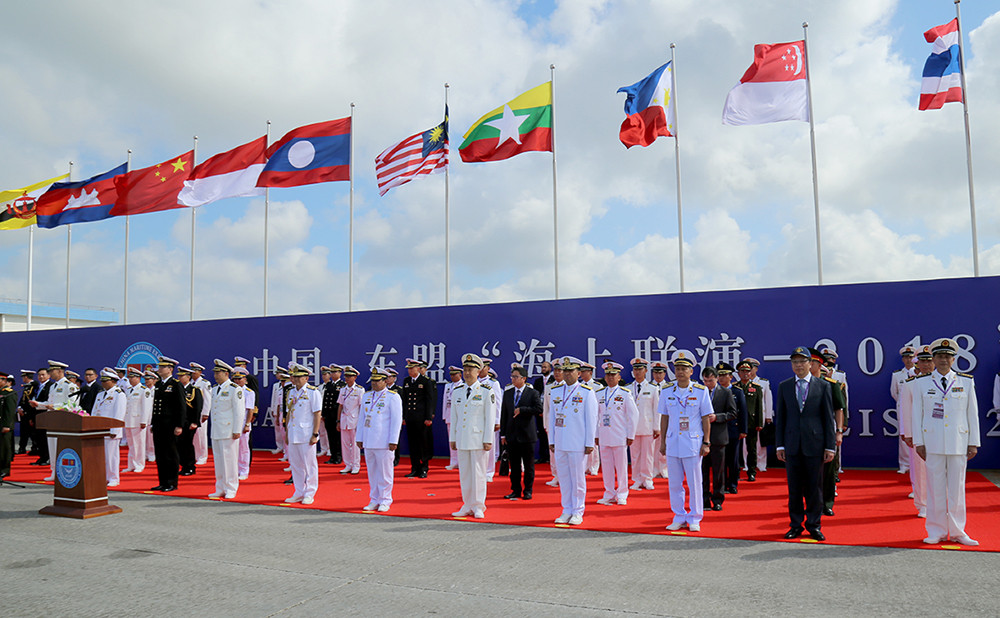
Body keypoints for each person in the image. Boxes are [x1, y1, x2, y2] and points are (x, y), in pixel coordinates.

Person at [912, 338, 980, 546]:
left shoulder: (966, 381)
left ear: (953, 359)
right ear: (933, 358)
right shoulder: (920, 383)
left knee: (957, 489)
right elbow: (917, 414)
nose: (943, 360)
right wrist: (919, 442)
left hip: (958, 442)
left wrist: (973, 442)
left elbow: (972, 413)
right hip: (932, 441)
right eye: (940, 356)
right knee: (935, 488)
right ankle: (937, 530)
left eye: (947, 356)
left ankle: (959, 532)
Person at [774, 346, 836, 542]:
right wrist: (780, 445)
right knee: (794, 489)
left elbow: (828, 418)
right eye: (795, 362)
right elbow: (781, 418)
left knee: (814, 488)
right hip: (792, 445)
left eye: (802, 361)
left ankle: (814, 525)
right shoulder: (784, 386)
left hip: (815, 445)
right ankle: (795, 525)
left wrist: (830, 446)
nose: (798, 365)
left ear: (811, 364)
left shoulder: (823, 386)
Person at [658, 352, 713, 532]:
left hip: (692, 443)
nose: (680, 372)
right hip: (673, 442)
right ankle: (679, 515)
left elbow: (705, 418)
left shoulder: (700, 390)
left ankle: (695, 517)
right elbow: (664, 417)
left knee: (694, 482)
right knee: (674, 483)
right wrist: (663, 441)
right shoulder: (666, 390)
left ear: (691, 371)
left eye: (684, 369)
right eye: (677, 369)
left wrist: (706, 442)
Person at [549, 356, 597, 526]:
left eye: (571, 371)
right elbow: (552, 417)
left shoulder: (586, 392)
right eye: (565, 371)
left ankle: (578, 510)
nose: (568, 374)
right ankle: (566, 509)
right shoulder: (555, 391)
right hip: (560, 441)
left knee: (577, 479)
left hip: (577, 442)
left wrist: (589, 442)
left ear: (579, 373)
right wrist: (552, 440)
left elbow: (591, 419)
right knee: (564, 478)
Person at [448, 354, 495, 518]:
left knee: (479, 474)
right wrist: (452, 438)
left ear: (479, 371)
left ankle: (478, 506)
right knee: (465, 474)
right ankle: (467, 504)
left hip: (478, 439)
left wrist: (488, 439)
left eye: (471, 370)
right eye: (465, 370)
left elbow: (489, 418)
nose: (467, 373)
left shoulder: (485, 391)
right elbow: (454, 417)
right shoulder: (457, 391)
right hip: (462, 438)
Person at [356, 369, 403, 512]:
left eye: (377, 381)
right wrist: (359, 437)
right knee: (372, 472)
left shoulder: (392, 397)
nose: (374, 384)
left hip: (384, 441)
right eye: (373, 381)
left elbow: (396, 420)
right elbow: (361, 418)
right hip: (369, 440)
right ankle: (374, 499)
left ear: (385, 381)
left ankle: (385, 499)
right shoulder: (367, 396)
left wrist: (394, 440)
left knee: (385, 472)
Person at [594, 361, 638, 506]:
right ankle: (609, 492)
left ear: (619, 377)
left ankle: (622, 493)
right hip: (604, 434)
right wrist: (595, 434)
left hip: (619, 435)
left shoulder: (625, 393)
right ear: (605, 377)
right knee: (606, 467)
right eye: (608, 375)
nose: (610, 377)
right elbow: (595, 416)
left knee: (621, 466)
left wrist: (630, 434)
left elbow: (633, 415)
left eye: (613, 375)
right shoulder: (599, 393)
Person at [500, 363, 543, 501]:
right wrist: (503, 434)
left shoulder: (532, 393)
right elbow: (504, 415)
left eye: (516, 377)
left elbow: (539, 409)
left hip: (527, 435)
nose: (513, 379)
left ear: (524, 378)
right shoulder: (507, 393)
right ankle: (515, 490)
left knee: (529, 466)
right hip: (512, 435)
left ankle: (528, 490)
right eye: (512, 376)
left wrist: (523, 410)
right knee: (515, 466)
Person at [899, 345, 933, 517]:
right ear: (916, 363)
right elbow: (905, 409)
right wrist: (907, 433)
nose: (926, 364)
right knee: (919, 470)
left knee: (940, 470)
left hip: (939, 433)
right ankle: (923, 504)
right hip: (919, 433)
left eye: (929, 360)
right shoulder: (910, 384)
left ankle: (939, 505)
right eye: (923, 361)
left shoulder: (943, 382)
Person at [284, 363, 322, 504]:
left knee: (309, 465)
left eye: (300, 377)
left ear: (306, 378)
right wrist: (287, 431)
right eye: (295, 377)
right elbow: (289, 412)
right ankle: (299, 491)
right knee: (295, 464)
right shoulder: (291, 392)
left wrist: (315, 433)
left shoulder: (313, 392)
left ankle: (310, 492)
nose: (296, 379)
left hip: (306, 433)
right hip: (294, 432)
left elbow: (317, 413)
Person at [35, 360, 78, 481]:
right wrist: (38, 404)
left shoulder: (69, 386)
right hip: (52, 420)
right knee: (52, 447)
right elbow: (49, 403)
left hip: (63, 422)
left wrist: (53, 407)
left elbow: (72, 405)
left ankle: (63, 472)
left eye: (52, 371)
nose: (50, 373)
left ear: (60, 371)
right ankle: (54, 471)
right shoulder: (53, 386)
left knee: (62, 448)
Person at [700, 366, 736, 511]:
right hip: (701, 438)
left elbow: (733, 413)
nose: (708, 383)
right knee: (702, 471)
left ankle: (718, 499)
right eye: (705, 381)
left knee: (718, 471)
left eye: (711, 380)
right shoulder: (699, 392)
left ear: (716, 379)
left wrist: (718, 417)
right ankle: (704, 499)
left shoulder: (726, 392)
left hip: (719, 437)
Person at [208, 360, 243, 499]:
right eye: (215, 372)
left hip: (228, 430)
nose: (216, 375)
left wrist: (237, 429)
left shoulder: (235, 389)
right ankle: (220, 487)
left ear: (226, 373)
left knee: (229, 461)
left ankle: (231, 488)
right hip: (217, 429)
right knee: (219, 461)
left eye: (218, 372)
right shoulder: (215, 389)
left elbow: (239, 412)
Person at [149, 357, 185, 492]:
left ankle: (172, 482)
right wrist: (153, 423)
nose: (159, 369)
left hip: (170, 425)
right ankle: (163, 482)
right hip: (159, 424)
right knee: (160, 454)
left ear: (170, 369)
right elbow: (155, 406)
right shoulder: (158, 384)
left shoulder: (176, 384)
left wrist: (179, 425)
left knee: (171, 454)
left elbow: (181, 406)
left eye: (162, 367)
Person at [628, 358, 660, 491]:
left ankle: (647, 479)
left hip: (647, 426)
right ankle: (636, 479)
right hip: (633, 428)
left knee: (648, 454)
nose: (637, 372)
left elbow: (657, 409)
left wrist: (657, 427)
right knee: (635, 455)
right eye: (635, 369)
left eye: (640, 369)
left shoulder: (653, 388)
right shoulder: (628, 388)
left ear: (646, 371)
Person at [91, 369, 127, 487]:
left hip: (111, 430)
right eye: (102, 381)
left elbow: (119, 414)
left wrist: (115, 430)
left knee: (112, 456)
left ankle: (113, 478)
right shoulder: (100, 394)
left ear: (113, 381)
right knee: (101, 456)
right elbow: (95, 411)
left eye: (105, 381)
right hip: (99, 429)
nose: (103, 383)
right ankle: (104, 476)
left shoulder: (119, 394)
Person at [717, 362, 748, 495]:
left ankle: (733, 484)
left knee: (733, 459)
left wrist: (743, 430)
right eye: (719, 375)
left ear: (731, 376)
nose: (721, 378)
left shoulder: (737, 392)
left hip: (733, 430)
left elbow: (743, 412)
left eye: (724, 375)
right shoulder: (714, 392)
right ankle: (721, 485)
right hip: (718, 431)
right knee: (720, 460)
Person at [402, 359, 435, 478]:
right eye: (408, 369)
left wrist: (428, 417)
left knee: (423, 443)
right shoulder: (406, 381)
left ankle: (424, 468)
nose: (410, 371)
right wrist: (404, 417)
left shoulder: (425, 381)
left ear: (418, 368)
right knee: (413, 444)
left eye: (412, 368)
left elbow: (429, 400)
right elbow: (405, 401)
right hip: (410, 418)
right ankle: (414, 467)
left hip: (421, 418)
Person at [734, 360, 764, 482]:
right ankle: (736, 472)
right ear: (739, 373)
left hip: (751, 422)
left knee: (752, 449)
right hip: (737, 422)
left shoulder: (756, 388)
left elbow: (759, 407)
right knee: (736, 449)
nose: (745, 374)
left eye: (747, 371)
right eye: (742, 371)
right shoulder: (735, 387)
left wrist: (759, 423)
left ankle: (752, 472)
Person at [890, 346, 917, 474]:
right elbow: (894, 393)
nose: (908, 360)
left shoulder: (919, 373)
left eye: (911, 357)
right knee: (904, 437)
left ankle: (915, 465)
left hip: (917, 409)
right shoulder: (896, 375)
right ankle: (904, 465)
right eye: (906, 357)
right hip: (902, 409)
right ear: (902, 359)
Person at [123, 368, 152, 473]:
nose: (130, 379)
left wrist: (144, 421)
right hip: (128, 420)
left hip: (138, 421)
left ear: (139, 378)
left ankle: (139, 464)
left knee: (139, 444)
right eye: (129, 377)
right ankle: (131, 465)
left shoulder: (144, 390)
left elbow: (146, 407)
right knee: (131, 444)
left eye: (133, 377)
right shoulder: (128, 390)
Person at [746, 358, 773, 472]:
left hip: (760, 416)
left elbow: (768, 400)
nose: (749, 371)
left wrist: (768, 416)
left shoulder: (763, 382)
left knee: (760, 442)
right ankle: (748, 464)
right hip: (747, 416)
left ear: (756, 369)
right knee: (745, 442)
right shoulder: (742, 383)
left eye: (751, 368)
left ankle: (761, 464)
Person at [336, 365, 364, 474]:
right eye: (346, 376)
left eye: (349, 376)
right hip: (344, 420)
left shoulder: (359, 390)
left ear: (355, 377)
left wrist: (361, 423)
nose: (347, 378)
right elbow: (340, 405)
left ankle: (356, 465)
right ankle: (347, 464)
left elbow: (361, 407)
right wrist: (338, 421)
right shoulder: (343, 390)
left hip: (355, 420)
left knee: (355, 444)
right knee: (345, 444)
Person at [176, 366, 203, 477]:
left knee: (187, 445)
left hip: (189, 422)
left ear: (188, 377)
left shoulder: (194, 390)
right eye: (179, 376)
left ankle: (190, 467)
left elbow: (198, 407)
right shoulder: (177, 389)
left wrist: (195, 422)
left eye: (182, 376)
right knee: (179, 445)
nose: (179, 378)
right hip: (179, 422)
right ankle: (183, 466)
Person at [542, 362, 564, 487]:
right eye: (555, 370)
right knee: (553, 452)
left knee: (564, 451)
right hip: (552, 424)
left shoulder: (568, 386)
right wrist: (546, 424)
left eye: (559, 370)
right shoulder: (549, 387)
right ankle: (556, 476)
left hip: (565, 425)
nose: (557, 373)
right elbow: (546, 408)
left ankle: (564, 477)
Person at [232, 368, 256, 480]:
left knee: (243, 448)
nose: (237, 381)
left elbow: (250, 409)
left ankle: (244, 470)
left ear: (245, 380)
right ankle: (234, 469)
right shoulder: (231, 390)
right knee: (232, 448)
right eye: (235, 379)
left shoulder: (249, 393)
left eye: (239, 379)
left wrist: (247, 424)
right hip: (231, 422)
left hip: (242, 423)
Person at [649, 361, 670, 479]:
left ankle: (664, 469)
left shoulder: (669, 387)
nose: (657, 375)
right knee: (652, 447)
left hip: (666, 419)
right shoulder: (649, 387)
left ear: (664, 374)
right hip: (652, 419)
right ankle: (654, 469)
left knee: (665, 444)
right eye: (655, 373)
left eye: (660, 373)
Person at [189, 362, 212, 466]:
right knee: (193, 437)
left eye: (195, 371)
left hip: (201, 414)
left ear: (200, 372)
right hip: (191, 414)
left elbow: (207, 399)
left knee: (201, 436)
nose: (193, 373)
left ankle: (202, 456)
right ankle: (194, 455)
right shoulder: (189, 383)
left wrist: (205, 413)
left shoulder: (204, 383)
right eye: (192, 371)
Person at [321, 365, 345, 465]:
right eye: (332, 372)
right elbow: (325, 400)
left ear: (340, 373)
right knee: (330, 436)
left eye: (335, 372)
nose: (333, 374)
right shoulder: (328, 385)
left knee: (338, 437)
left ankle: (339, 456)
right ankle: (333, 456)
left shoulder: (342, 385)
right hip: (328, 415)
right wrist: (323, 413)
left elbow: (341, 403)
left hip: (337, 415)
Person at [532, 360, 553, 463]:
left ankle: (550, 456)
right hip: (540, 412)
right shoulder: (538, 381)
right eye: (542, 367)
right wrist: (540, 410)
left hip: (550, 412)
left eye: (545, 367)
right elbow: (536, 397)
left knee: (550, 435)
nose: (543, 369)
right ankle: (542, 456)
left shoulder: (554, 380)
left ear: (550, 368)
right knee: (541, 434)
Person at [442, 366, 462, 470]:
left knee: (461, 439)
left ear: (460, 375)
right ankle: (453, 461)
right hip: (450, 415)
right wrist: (444, 415)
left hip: (460, 416)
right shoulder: (448, 386)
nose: (453, 376)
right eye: (451, 375)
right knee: (452, 439)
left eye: (455, 374)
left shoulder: (464, 385)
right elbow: (445, 401)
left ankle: (462, 461)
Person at [16, 369, 38, 456]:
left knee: (32, 432)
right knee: (23, 432)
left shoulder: (34, 386)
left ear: (25, 377)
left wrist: (30, 414)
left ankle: (35, 448)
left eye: (23, 377)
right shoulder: (27, 386)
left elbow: (33, 400)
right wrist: (20, 407)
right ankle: (22, 448)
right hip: (24, 413)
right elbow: (23, 399)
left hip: (30, 413)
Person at [0, 372, 17, 478]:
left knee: (4, 448)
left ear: (4, 381)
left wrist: (7, 425)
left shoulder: (9, 393)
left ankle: (5, 469)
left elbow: (10, 411)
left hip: (4, 424)